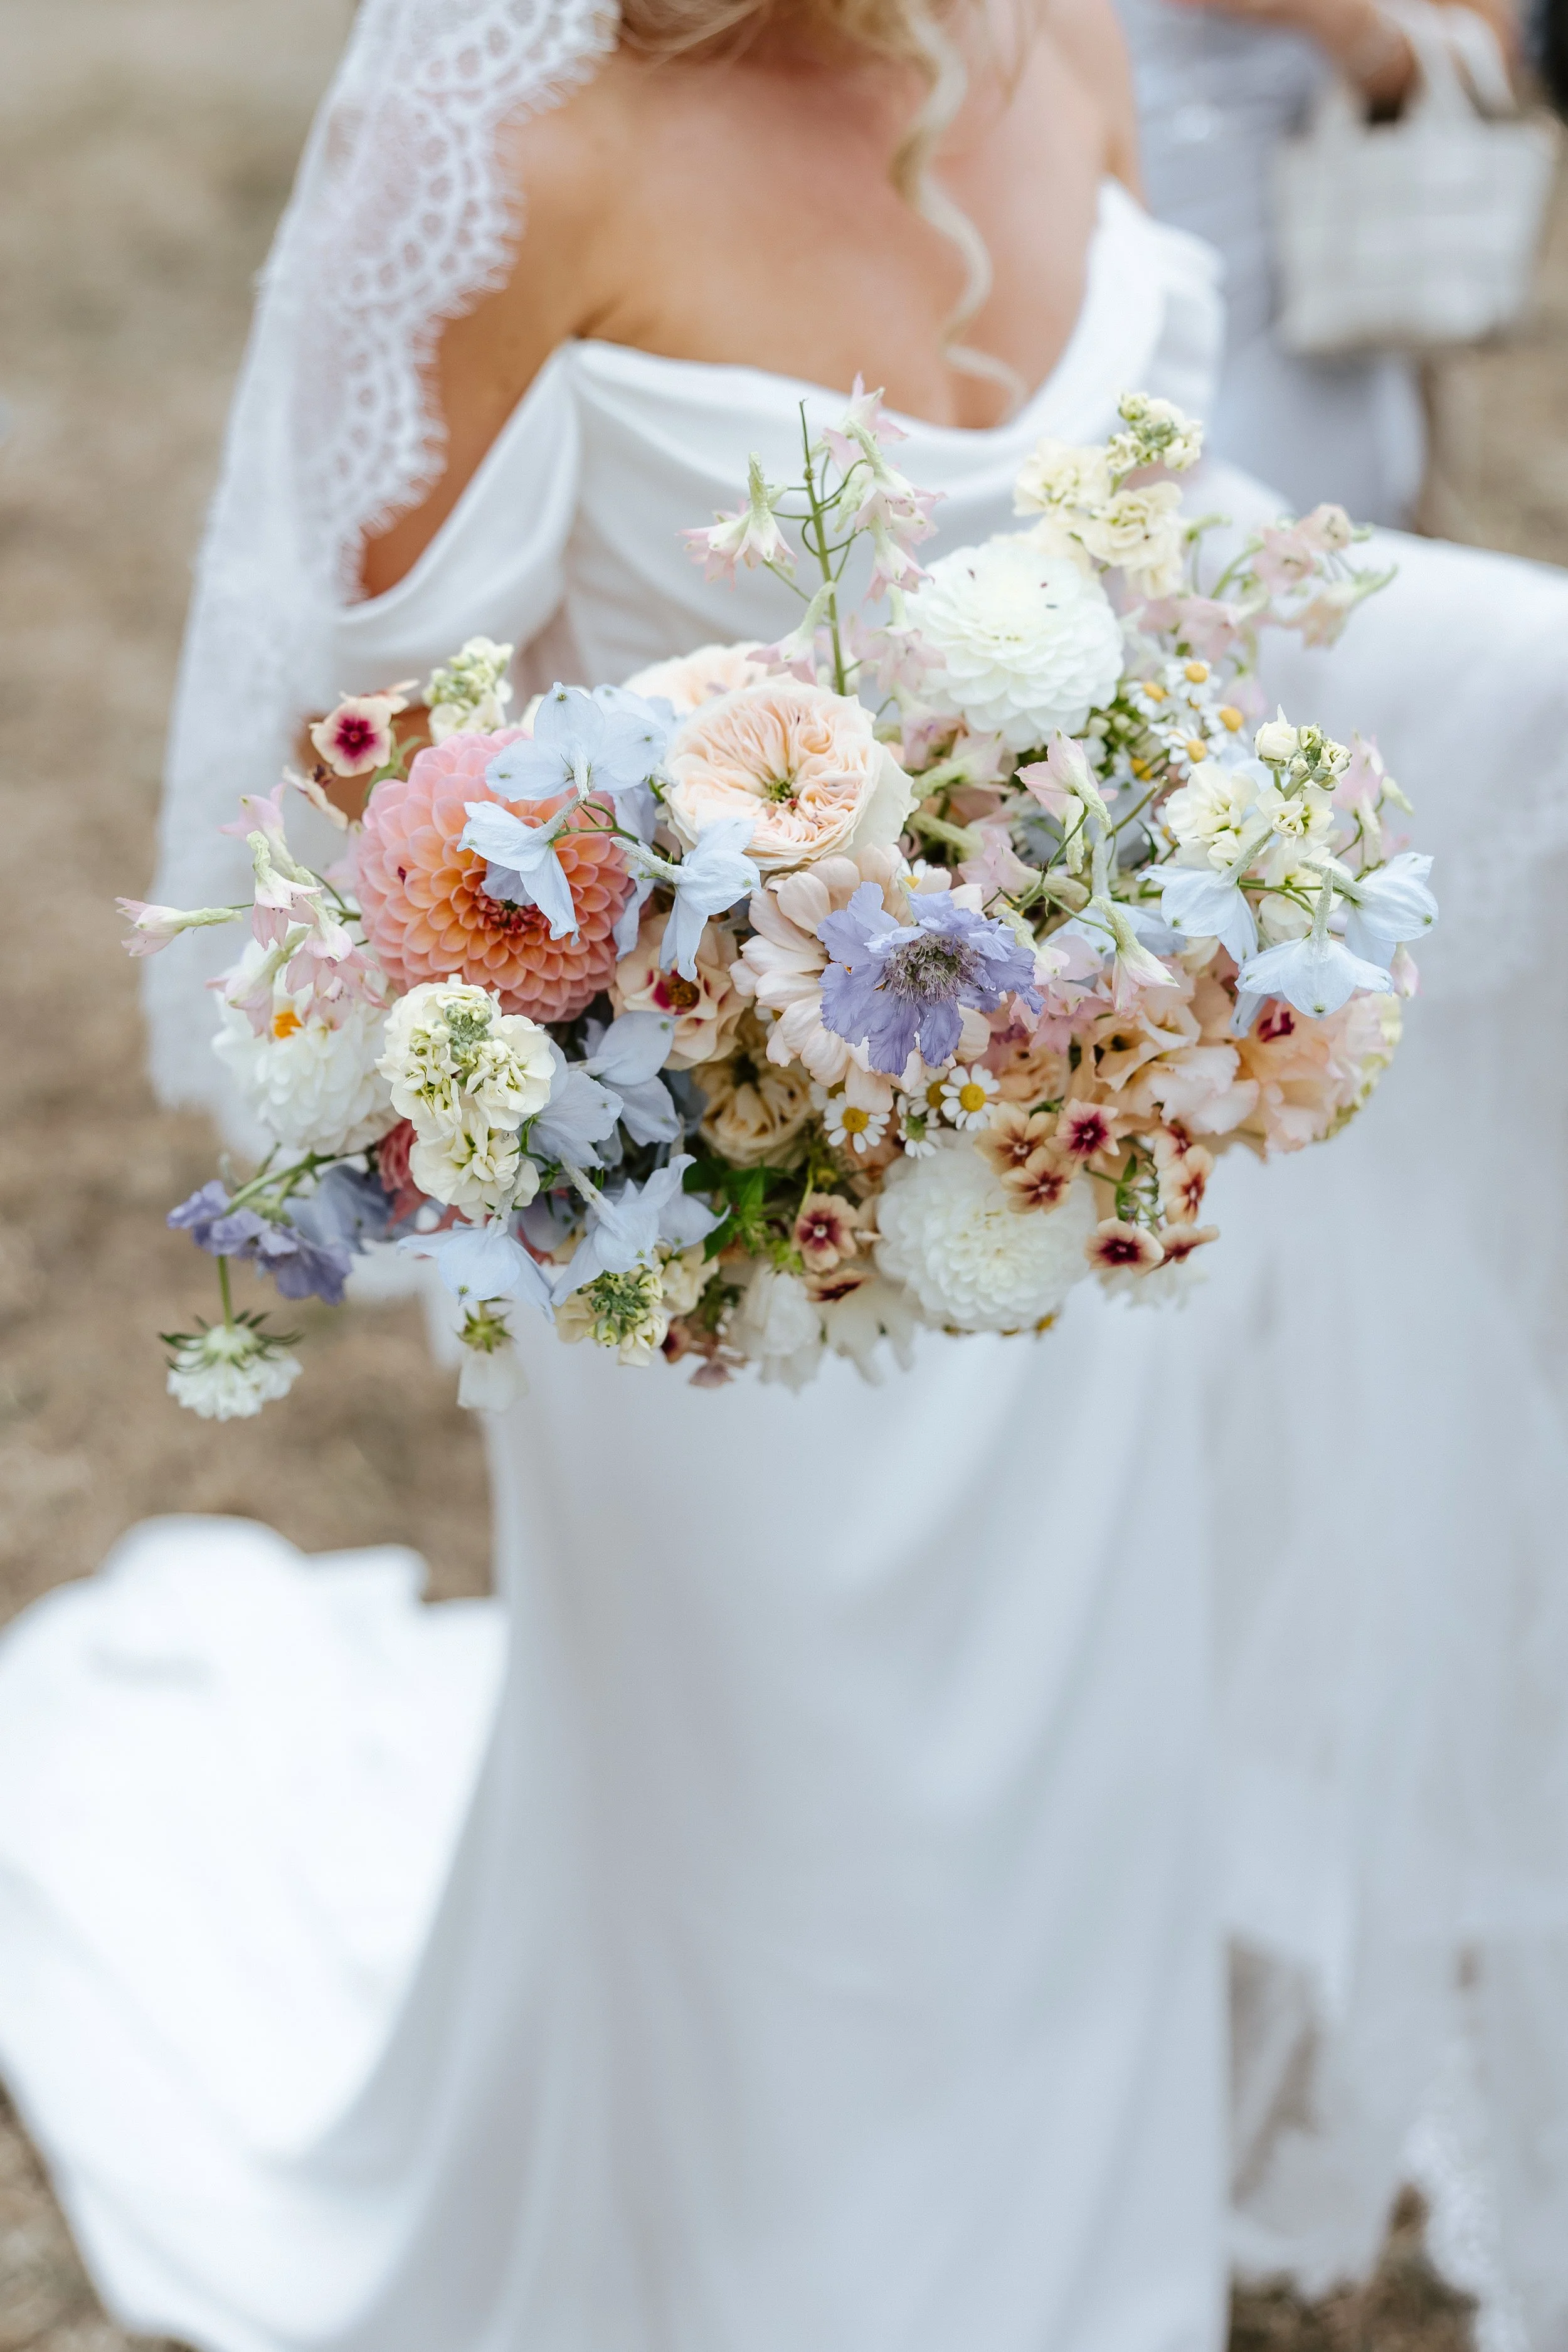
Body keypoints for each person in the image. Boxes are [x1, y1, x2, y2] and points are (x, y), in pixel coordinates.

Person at [1, 0, 1567, 2346]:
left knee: (1057, 1829)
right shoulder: (503, 151)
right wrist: (732, 998)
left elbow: (1154, 566)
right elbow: (354, 802)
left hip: (1055, 1197)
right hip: (704, 1271)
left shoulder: (1064, 45)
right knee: (789, 1889)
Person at [1113, 0, 1516, 525]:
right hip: (1115, 242)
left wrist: (1326, 16)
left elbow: (1487, 52)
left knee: (1298, 536)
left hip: (1317, 261)